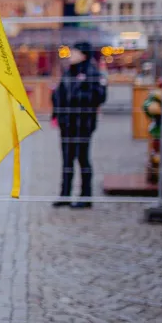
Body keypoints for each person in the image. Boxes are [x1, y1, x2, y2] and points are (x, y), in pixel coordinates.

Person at [51, 41, 107, 208]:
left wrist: (78, 94)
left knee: (83, 159)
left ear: (83, 55)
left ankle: (85, 196)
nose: (71, 55)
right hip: (67, 124)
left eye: (74, 52)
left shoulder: (92, 73)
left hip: (82, 124)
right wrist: (57, 111)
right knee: (66, 160)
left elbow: (99, 97)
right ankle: (65, 195)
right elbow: (59, 94)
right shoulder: (68, 72)